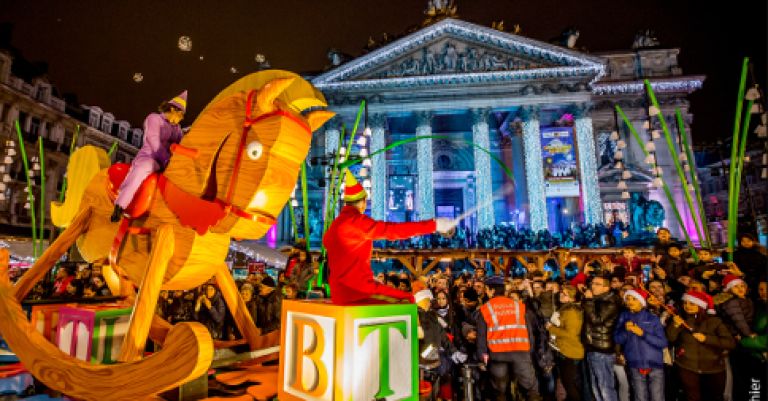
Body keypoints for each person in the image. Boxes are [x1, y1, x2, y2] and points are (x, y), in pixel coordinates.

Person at [322, 170, 455, 304]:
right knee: (408, 299)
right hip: (359, 292)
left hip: (339, 292)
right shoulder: (358, 223)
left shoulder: (335, 225)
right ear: (363, 202)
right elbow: (393, 230)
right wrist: (434, 225)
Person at [111, 91, 187, 222]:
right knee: (141, 169)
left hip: (168, 162)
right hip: (150, 157)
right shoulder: (154, 119)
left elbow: (181, 144)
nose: (180, 119)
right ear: (173, 109)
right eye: (180, 115)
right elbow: (153, 141)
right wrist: (166, 159)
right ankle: (120, 205)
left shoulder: (177, 129)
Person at [477, 276, 541, 401]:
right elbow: (529, 331)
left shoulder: (485, 309)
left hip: (497, 355)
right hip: (521, 352)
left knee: (500, 391)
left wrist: (483, 358)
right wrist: (530, 351)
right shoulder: (518, 306)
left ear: (491, 290)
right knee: (530, 389)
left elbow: (481, 337)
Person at [666, 290, 736, 401]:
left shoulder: (715, 321)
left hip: (713, 369)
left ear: (701, 306)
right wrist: (674, 325)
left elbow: (730, 343)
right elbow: (670, 338)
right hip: (687, 367)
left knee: (714, 397)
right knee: (692, 397)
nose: (687, 306)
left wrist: (707, 339)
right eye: (685, 303)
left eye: (691, 303)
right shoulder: (681, 319)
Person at [615, 288, 667, 401]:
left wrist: (642, 333)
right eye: (627, 299)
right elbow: (617, 339)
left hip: (654, 365)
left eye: (634, 299)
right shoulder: (624, 317)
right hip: (635, 364)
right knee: (640, 397)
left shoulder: (652, 319)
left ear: (641, 301)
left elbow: (662, 342)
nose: (630, 301)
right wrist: (625, 331)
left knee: (657, 397)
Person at [582, 274, 621, 401]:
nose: (592, 286)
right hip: (593, 347)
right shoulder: (597, 300)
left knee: (605, 387)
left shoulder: (611, 301)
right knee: (596, 386)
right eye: (592, 283)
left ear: (607, 287)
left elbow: (596, 320)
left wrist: (588, 301)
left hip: (602, 350)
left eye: (597, 284)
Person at [545, 285, 584, 401]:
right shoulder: (564, 308)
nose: (561, 295)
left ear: (572, 298)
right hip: (563, 349)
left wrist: (551, 328)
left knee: (569, 384)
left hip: (570, 352)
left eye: (565, 294)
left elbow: (570, 333)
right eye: (561, 293)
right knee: (566, 382)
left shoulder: (572, 311)